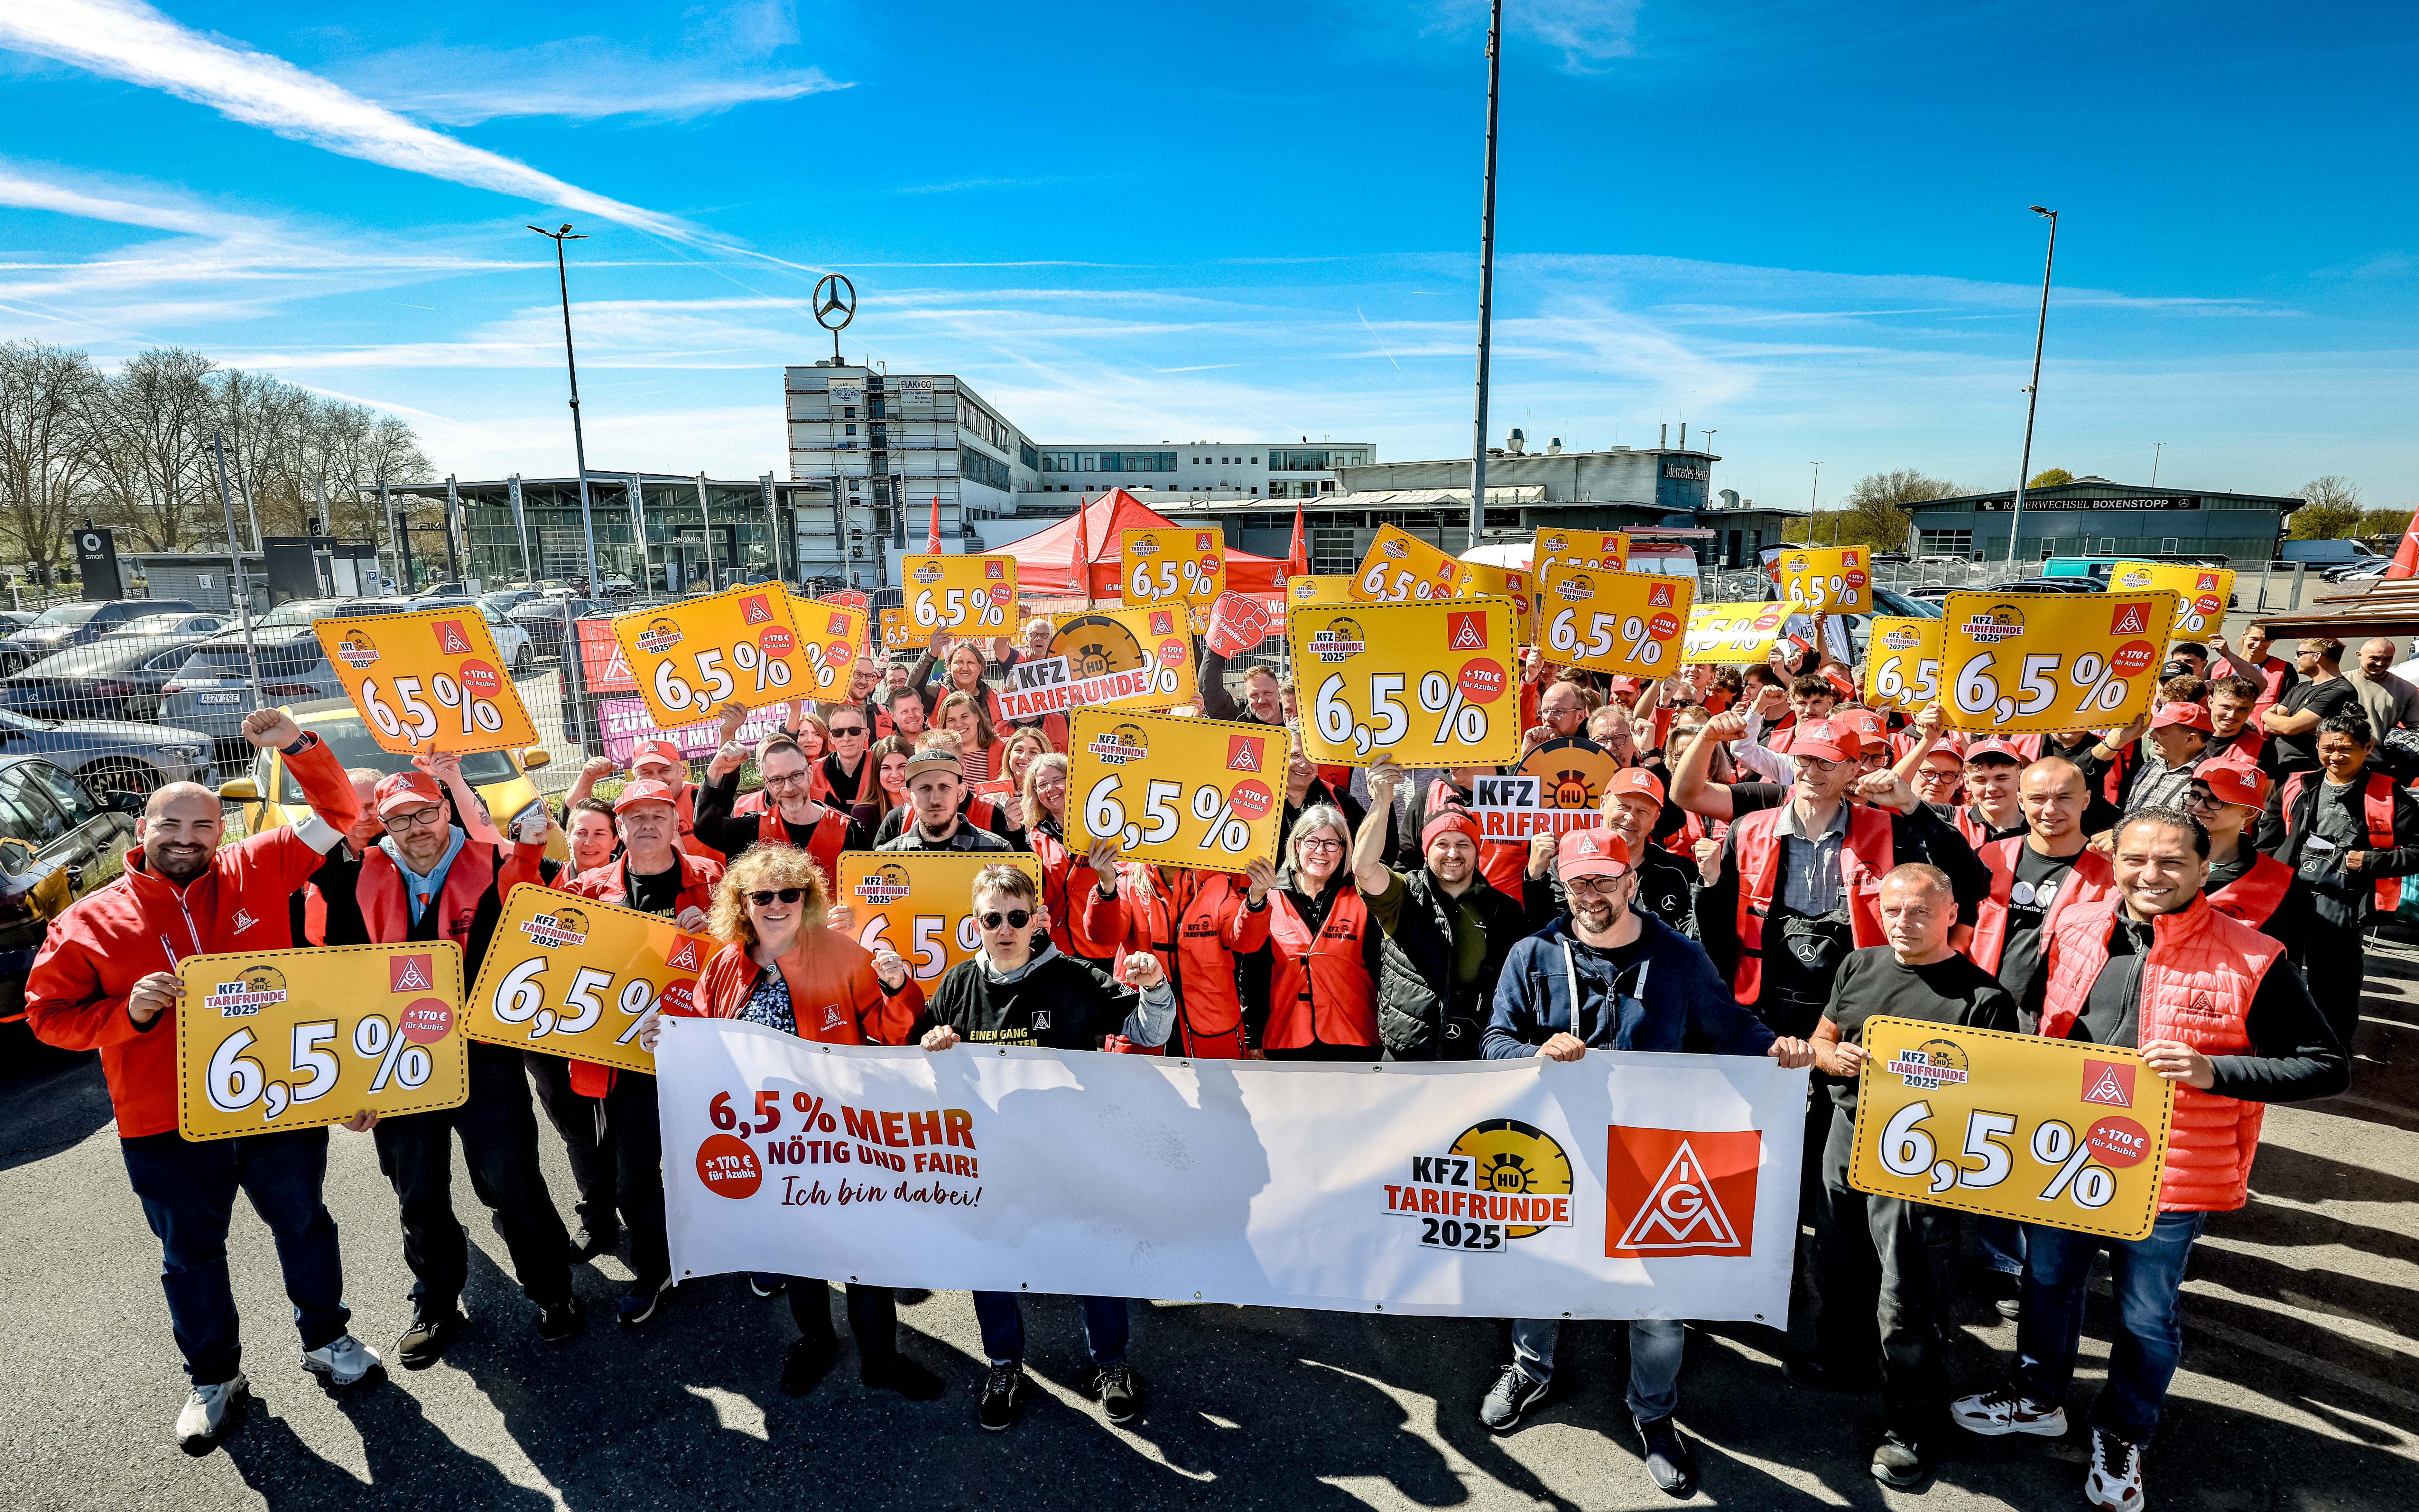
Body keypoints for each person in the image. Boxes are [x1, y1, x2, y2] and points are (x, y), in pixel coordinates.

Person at [1951, 809, 2347, 1512]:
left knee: (2144, 1315)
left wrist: (2214, 1071)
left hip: (2170, 1170)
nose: (2150, 875)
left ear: (2203, 869)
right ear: (2114, 863)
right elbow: (2033, 1019)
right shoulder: (2075, 925)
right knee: (2047, 1283)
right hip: (2065, 1153)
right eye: (2135, 859)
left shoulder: (2254, 955)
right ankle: (2037, 1398)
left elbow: (2324, 1065)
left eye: (2170, 862)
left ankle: (2124, 1431)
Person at [24, 709, 383, 1450]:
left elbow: (341, 812)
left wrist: (297, 745)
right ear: (142, 831)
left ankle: (328, 1339)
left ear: (223, 832)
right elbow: (47, 1018)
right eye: (171, 826)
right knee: (190, 1258)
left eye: (202, 827)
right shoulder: (87, 922)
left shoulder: (261, 865)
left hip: (276, 1103)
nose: (185, 839)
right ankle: (215, 1379)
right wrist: (128, 1013)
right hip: (163, 1122)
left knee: (306, 1225)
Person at [1480, 828, 1814, 1496]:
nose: (1591, 894)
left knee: (1659, 1301)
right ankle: (1530, 1369)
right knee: (1543, 1271)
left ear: (1632, 880)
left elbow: (1733, 1029)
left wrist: (1778, 1051)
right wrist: (1532, 1054)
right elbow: (1494, 1041)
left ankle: (1653, 1412)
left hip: (1653, 1157)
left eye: (1605, 880)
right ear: (1562, 885)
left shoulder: (1680, 957)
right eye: (1578, 881)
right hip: (1561, 1152)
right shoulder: (1532, 953)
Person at [643, 847, 941, 1398]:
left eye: (789, 893)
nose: (776, 904)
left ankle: (881, 1359)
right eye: (763, 895)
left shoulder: (841, 953)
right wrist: (666, 1036)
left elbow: (894, 1030)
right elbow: (702, 1035)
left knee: (863, 1250)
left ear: (807, 899)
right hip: (767, 1136)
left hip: (839, 1132)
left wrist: (898, 986)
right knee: (796, 1248)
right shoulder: (725, 964)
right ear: (743, 903)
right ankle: (816, 1341)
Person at [913, 863, 1175, 1430]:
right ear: (975, 924)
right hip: (993, 1159)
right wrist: (931, 1043)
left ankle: (1110, 1363)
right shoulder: (956, 984)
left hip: (1072, 1155)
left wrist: (1156, 985)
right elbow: (919, 1059)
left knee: (1094, 1254)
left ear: (1036, 918)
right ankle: (1004, 1365)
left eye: (1016, 916)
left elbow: (1152, 1032)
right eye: (992, 919)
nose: (1005, 928)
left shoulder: (1073, 977)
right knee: (991, 1262)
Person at [352, 761, 581, 1365]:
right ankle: (435, 1301)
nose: (416, 827)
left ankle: (553, 1290)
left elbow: (561, 924)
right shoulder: (359, 875)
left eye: (425, 812)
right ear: (383, 825)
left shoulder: (498, 863)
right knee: (419, 1192)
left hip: (485, 1055)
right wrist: (349, 1082)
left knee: (514, 1181)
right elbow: (331, 977)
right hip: (400, 1058)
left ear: (446, 808)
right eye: (399, 819)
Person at [1800, 866, 2018, 1484]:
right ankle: (1844, 1362)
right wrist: (1829, 1056)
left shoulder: (1982, 998)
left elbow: (1997, 1100)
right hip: (1845, 1136)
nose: (1902, 922)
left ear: (1950, 913)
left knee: (1907, 1294)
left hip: (1921, 1161)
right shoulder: (1857, 964)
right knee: (1836, 1264)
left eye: (1919, 911)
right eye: (1892, 909)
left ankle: (1912, 1423)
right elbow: (1822, 1036)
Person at [547, 780, 724, 1326]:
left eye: (658, 814)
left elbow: (753, 950)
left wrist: (714, 934)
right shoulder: (586, 887)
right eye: (635, 816)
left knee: (719, 1157)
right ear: (619, 828)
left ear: (676, 823)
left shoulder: (713, 878)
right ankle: (656, 1266)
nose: (647, 824)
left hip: (703, 1053)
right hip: (627, 1059)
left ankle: (741, 1247)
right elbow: (560, 961)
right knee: (634, 1178)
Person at [1351, 762, 1528, 1057]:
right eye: (1442, 843)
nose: (1453, 853)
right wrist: (1382, 801)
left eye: (1464, 844)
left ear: (1477, 851)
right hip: (1406, 1055)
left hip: (1476, 1057)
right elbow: (1365, 868)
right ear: (1426, 850)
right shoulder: (1404, 894)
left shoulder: (1504, 911)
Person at [2265, 713, 2419, 1053]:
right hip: (2289, 893)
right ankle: (2280, 1048)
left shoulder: (2389, 793)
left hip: (2343, 900)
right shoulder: (2297, 785)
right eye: (2328, 748)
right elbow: (2269, 840)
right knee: (2279, 974)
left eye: (2346, 749)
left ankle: (2332, 1054)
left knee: (2334, 985)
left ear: (2368, 747)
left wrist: (2372, 862)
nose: (2335, 756)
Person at [1261, 804, 1432, 1061]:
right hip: (1286, 1040)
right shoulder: (1268, 898)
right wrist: (1253, 1036)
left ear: (1344, 850)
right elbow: (1254, 972)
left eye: (1331, 843)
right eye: (1312, 841)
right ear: (1297, 845)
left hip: (1355, 1040)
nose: (1321, 851)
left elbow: (1385, 972)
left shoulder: (1364, 897)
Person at [1968, 758, 2115, 1027]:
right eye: (2038, 798)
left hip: (2062, 1019)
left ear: (2085, 800)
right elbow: (1961, 935)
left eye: (2064, 797)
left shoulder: (2112, 872)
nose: (2050, 809)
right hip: (1982, 1006)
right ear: (2021, 801)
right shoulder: (1991, 856)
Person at [2186, 761, 2314, 954]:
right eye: (2195, 796)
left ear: (2249, 811)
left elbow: (2282, 958)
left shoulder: (2281, 884)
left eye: (2215, 799)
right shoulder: (2156, 859)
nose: (2198, 807)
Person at [695, 732, 853, 877]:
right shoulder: (754, 829)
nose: (789, 788)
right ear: (767, 783)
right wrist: (716, 770)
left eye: (796, 776)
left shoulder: (849, 830)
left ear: (810, 774)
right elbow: (706, 829)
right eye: (778, 780)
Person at [563, 738, 718, 859]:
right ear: (635, 777)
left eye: (665, 771)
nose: (657, 779)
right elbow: (571, 817)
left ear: (682, 771)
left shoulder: (702, 800)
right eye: (647, 773)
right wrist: (587, 779)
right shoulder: (624, 808)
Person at [294, 766, 387, 945]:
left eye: (372, 806)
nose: (363, 817)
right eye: (353, 806)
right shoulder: (312, 861)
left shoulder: (412, 857)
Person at [876, 747, 1015, 852]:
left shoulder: (998, 851)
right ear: (908, 797)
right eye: (925, 788)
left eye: (945, 787)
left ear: (961, 793)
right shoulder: (887, 855)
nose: (935, 799)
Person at [2084, 703, 2214, 814]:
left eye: (2161, 732)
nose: (2151, 736)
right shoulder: (2154, 764)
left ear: (2190, 739)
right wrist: (2115, 741)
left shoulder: (2209, 780)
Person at [2261, 637, 2358, 781]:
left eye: (2300, 654)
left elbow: (2288, 727)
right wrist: (2287, 724)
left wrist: (2268, 715)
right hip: (2281, 767)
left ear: (2317, 656)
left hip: (2309, 771)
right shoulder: (2300, 688)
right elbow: (2268, 726)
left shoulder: (2340, 691)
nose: (2296, 658)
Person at [2209, 625, 2297, 726]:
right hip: (2221, 729)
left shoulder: (2285, 670)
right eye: (2254, 639)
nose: (2258, 645)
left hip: (2263, 732)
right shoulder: (2217, 667)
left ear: (2273, 641)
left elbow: (2286, 708)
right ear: (2244, 635)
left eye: (2266, 641)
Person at [2344, 635, 2419, 736]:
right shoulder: (2340, 682)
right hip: (2339, 746)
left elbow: (2416, 727)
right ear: (2359, 655)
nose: (2380, 664)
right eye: (2375, 658)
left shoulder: (2406, 690)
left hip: (2381, 747)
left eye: (2387, 659)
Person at [937, 688, 1007, 783]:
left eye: (965, 717)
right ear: (944, 725)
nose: (959, 725)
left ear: (977, 717)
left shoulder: (1005, 750)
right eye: (951, 720)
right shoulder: (938, 759)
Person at [563, 796, 619, 878]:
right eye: (581, 833)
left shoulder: (629, 882)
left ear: (615, 842)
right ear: (568, 838)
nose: (589, 843)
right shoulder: (551, 876)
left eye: (599, 834)